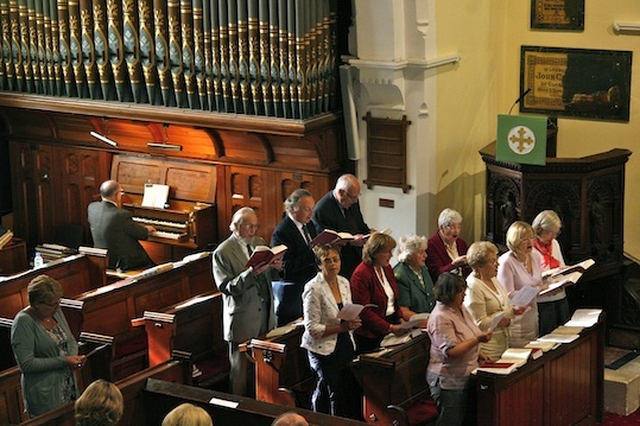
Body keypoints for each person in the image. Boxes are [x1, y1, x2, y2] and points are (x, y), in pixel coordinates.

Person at [212, 207, 282, 396]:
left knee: (261, 370)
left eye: (255, 226)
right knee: (240, 373)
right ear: (235, 226)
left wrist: (276, 266)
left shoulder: (259, 243)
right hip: (242, 318)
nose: (253, 231)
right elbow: (227, 287)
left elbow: (268, 277)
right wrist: (251, 274)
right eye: (249, 226)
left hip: (265, 314)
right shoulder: (223, 252)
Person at [10, 275, 86, 418]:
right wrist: (64, 361)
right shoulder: (23, 322)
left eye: (58, 302)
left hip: (69, 386)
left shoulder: (55, 311)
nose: (57, 307)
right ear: (37, 303)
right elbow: (26, 364)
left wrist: (74, 358)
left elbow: (70, 339)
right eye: (52, 304)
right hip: (45, 394)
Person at [301, 244, 362, 419]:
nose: (333, 264)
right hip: (323, 350)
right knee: (333, 394)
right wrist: (342, 327)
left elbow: (347, 310)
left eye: (336, 260)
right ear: (319, 265)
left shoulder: (344, 282)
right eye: (327, 260)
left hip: (344, 344)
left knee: (346, 392)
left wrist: (352, 321)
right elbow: (312, 329)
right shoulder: (314, 288)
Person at [426, 273, 492, 426]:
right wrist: (477, 340)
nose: (464, 294)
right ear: (448, 293)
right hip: (449, 380)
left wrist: (479, 353)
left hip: (468, 374)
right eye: (460, 292)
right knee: (452, 421)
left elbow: (469, 333)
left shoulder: (460, 308)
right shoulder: (440, 317)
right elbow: (451, 352)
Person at [464, 241, 526, 360]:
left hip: (503, 341)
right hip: (487, 348)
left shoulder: (493, 278)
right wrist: (504, 315)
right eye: (492, 261)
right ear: (480, 266)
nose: (497, 264)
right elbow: (479, 323)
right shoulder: (473, 286)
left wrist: (513, 311)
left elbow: (504, 305)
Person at [350, 232, 410, 353]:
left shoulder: (386, 268)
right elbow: (364, 311)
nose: (391, 255)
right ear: (375, 252)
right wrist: (390, 328)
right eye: (387, 252)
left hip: (390, 324)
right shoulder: (361, 275)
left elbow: (394, 298)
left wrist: (401, 319)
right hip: (371, 334)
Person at [271, 189, 318, 325]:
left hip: (310, 286)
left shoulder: (309, 225)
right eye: (307, 209)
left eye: (312, 209)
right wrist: (312, 254)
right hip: (294, 294)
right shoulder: (282, 232)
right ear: (293, 209)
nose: (312, 213)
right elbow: (286, 267)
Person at [87, 179, 156, 271]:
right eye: (121, 192)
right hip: (123, 262)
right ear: (117, 195)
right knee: (154, 266)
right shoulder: (121, 215)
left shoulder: (92, 208)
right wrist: (146, 229)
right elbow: (142, 235)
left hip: (103, 259)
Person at [497, 221, 547, 347]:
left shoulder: (534, 255)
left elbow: (538, 281)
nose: (530, 242)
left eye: (532, 237)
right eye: (524, 239)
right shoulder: (506, 262)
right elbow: (509, 295)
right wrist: (537, 290)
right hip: (515, 320)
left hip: (532, 316)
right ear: (514, 242)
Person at [312, 173, 371, 278]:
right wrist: (351, 242)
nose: (355, 201)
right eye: (353, 197)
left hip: (358, 259)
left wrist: (369, 233)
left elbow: (359, 223)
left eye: (357, 196)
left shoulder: (353, 202)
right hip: (341, 264)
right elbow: (323, 243)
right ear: (341, 193)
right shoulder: (322, 210)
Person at [532, 210, 571, 335]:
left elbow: (561, 265)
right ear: (539, 229)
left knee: (563, 336)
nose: (553, 237)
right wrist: (546, 275)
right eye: (550, 233)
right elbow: (528, 277)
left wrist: (568, 273)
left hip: (560, 296)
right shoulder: (530, 248)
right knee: (548, 337)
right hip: (542, 300)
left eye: (556, 233)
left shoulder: (554, 243)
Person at [394, 234, 436, 319]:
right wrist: (428, 322)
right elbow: (403, 311)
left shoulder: (423, 269)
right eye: (421, 252)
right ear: (409, 254)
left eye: (425, 251)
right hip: (414, 326)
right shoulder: (401, 275)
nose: (425, 255)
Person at [426, 208, 471, 282]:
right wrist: (453, 265)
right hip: (445, 288)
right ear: (441, 228)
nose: (456, 231)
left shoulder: (461, 243)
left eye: (459, 227)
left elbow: (467, 270)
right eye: (452, 227)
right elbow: (437, 273)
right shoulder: (431, 245)